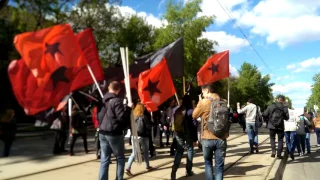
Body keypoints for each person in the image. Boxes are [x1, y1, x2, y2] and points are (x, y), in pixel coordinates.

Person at [192, 84, 229, 180]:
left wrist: (200, 102)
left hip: (207, 138)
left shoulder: (204, 102)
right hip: (221, 137)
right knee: (219, 167)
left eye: (203, 92)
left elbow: (194, 115)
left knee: (208, 163)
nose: (202, 94)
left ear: (207, 91)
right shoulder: (223, 102)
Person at [98, 81, 132, 180]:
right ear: (118, 90)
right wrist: (128, 109)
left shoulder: (102, 100)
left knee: (104, 159)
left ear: (109, 88)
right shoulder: (117, 101)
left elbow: (98, 116)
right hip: (114, 133)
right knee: (120, 158)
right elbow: (121, 118)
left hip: (102, 132)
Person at [170, 95, 198, 180]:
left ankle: (174, 170)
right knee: (190, 150)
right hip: (188, 133)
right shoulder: (191, 111)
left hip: (178, 132)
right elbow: (194, 125)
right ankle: (188, 171)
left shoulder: (177, 109)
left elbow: (172, 121)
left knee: (179, 151)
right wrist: (195, 138)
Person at [125, 103, 153, 176]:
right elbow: (148, 127)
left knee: (134, 153)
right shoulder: (144, 117)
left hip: (134, 136)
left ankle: (128, 168)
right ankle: (147, 166)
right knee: (146, 152)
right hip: (143, 136)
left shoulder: (132, 117)